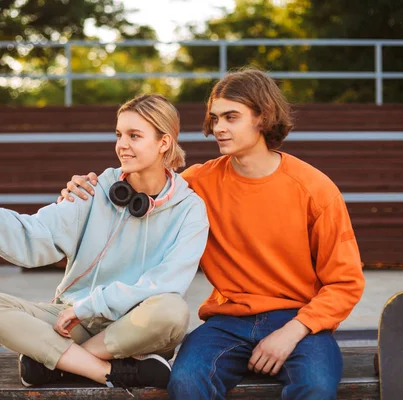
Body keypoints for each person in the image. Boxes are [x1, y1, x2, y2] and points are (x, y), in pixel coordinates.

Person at [59, 68, 366, 399]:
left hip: (299, 320)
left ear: (262, 118)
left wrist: (292, 332)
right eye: (215, 118)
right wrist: (87, 189)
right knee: (187, 382)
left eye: (231, 117)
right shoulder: (196, 184)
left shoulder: (314, 189)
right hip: (227, 321)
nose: (218, 128)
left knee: (316, 386)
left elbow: (345, 282)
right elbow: (140, 188)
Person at [0, 94, 209, 391]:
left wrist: (90, 307)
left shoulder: (189, 209)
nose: (122, 144)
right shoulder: (93, 190)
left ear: (164, 143)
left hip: (134, 328)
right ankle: (107, 372)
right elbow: (31, 237)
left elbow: (164, 283)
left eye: (135, 136)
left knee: (172, 310)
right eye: (119, 134)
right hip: (72, 323)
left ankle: (56, 364)